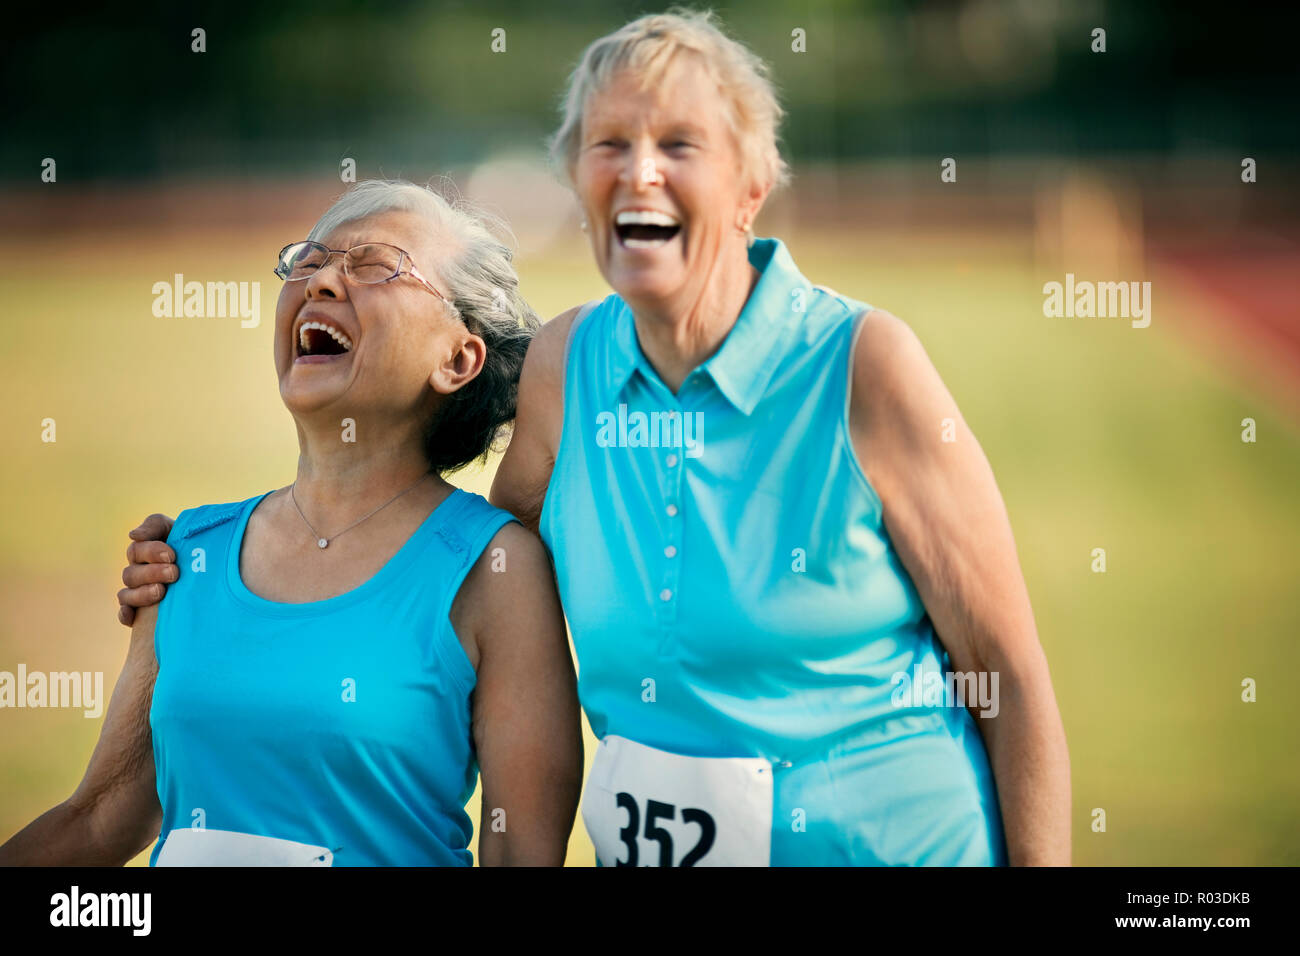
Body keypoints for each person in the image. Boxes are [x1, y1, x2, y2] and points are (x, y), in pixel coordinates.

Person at [118, 10, 1070, 866]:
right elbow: (475, 564)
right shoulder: (565, 369)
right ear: (579, 182)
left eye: (680, 143)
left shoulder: (864, 366)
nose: (637, 168)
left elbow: (1009, 678)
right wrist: (238, 572)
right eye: (607, 142)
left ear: (753, 186)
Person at [2, 181, 582, 866]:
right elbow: (100, 820)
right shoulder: (185, 554)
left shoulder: (495, 571)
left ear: (457, 359)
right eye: (308, 261)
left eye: (374, 267)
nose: (323, 281)